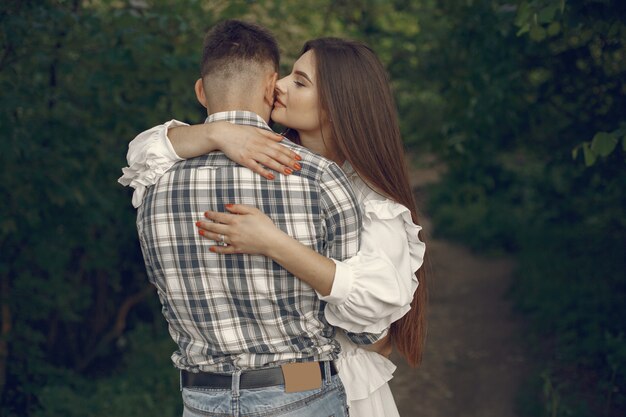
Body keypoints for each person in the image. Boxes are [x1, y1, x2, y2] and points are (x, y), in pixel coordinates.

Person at [121, 37, 427, 417]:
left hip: (340, 386)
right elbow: (143, 155)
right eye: (284, 75)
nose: (277, 84)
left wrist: (272, 242)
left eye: (299, 82)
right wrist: (218, 133)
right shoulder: (258, 154)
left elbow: (376, 333)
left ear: (337, 104)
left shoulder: (373, 204)